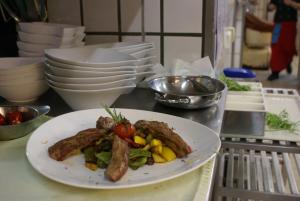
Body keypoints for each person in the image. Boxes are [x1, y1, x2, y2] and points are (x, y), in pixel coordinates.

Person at [267, 0, 300, 81]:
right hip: (278, 23)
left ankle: (287, 63)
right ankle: (275, 72)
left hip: (290, 24)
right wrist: (270, 7)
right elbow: (269, 7)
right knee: (276, 46)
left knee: (288, 47)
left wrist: (291, 3)